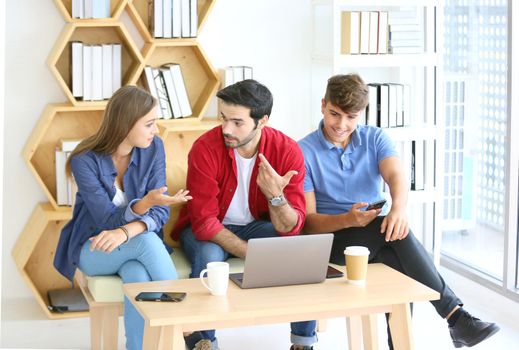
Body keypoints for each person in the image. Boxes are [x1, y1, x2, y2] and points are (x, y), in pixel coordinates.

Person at [298, 74, 500, 349]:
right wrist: (348, 219)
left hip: (377, 235)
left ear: (361, 115)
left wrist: (399, 209)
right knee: (397, 237)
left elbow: (396, 176)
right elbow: (309, 224)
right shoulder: (304, 151)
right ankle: (456, 317)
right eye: (335, 114)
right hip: (333, 241)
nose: (341, 125)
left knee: (397, 252)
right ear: (323, 105)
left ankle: (416, 338)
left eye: (351, 117)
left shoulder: (374, 138)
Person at [171, 79, 316, 350]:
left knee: (298, 248)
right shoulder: (205, 148)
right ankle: (202, 342)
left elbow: (292, 226)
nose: (226, 128)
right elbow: (203, 223)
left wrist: (276, 197)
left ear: (262, 122)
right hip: (206, 231)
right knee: (209, 258)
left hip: (255, 226)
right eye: (223, 118)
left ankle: (303, 342)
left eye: (237, 122)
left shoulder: (287, 151)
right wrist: (252, 253)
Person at [53, 86, 192, 350]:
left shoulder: (154, 148)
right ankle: (182, 322)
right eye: (149, 124)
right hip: (94, 247)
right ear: (126, 124)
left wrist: (127, 230)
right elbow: (105, 219)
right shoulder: (84, 160)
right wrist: (142, 207)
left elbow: (161, 210)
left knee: (136, 274)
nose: (156, 130)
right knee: (147, 241)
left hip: (130, 248)